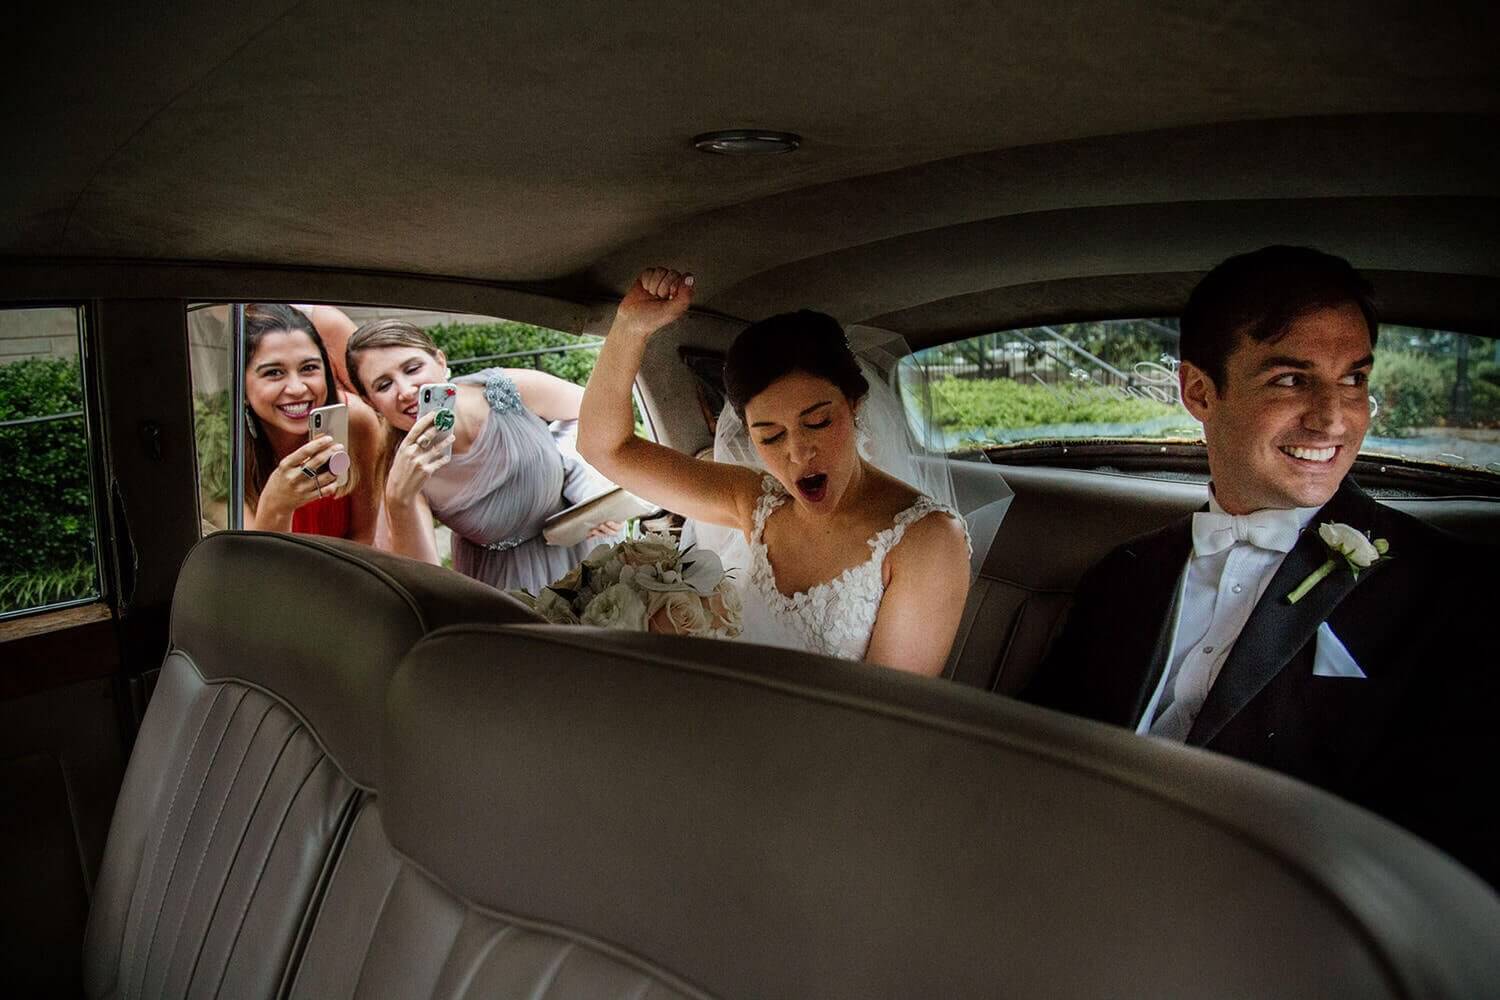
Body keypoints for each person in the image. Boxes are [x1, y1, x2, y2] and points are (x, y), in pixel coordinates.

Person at [1023, 245, 1494, 884]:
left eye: (1354, 378)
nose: (1334, 418)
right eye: (1291, 379)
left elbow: (1448, 849)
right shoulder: (1124, 573)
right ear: (1199, 391)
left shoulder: (1449, 590)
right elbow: (1034, 756)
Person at [579, 268, 971, 676]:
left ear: (854, 404)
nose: (799, 454)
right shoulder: (754, 501)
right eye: (769, 437)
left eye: (817, 422)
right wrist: (628, 327)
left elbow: (883, 718)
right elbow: (606, 448)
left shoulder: (928, 539)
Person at [345, 319, 615, 592]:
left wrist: (585, 485)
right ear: (370, 402)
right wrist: (399, 500)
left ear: (440, 360)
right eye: (383, 385)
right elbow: (426, 583)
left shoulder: (504, 389)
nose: (405, 391)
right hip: (509, 588)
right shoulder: (404, 470)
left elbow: (600, 414)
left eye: (413, 368)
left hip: (587, 549)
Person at [240, 304, 381, 541]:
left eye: (309, 368)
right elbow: (254, 568)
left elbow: (363, 535)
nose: (297, 389)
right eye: (273, 373)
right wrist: (277, 504)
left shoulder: (355, 420)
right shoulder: (223, 443)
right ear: (241, 387)